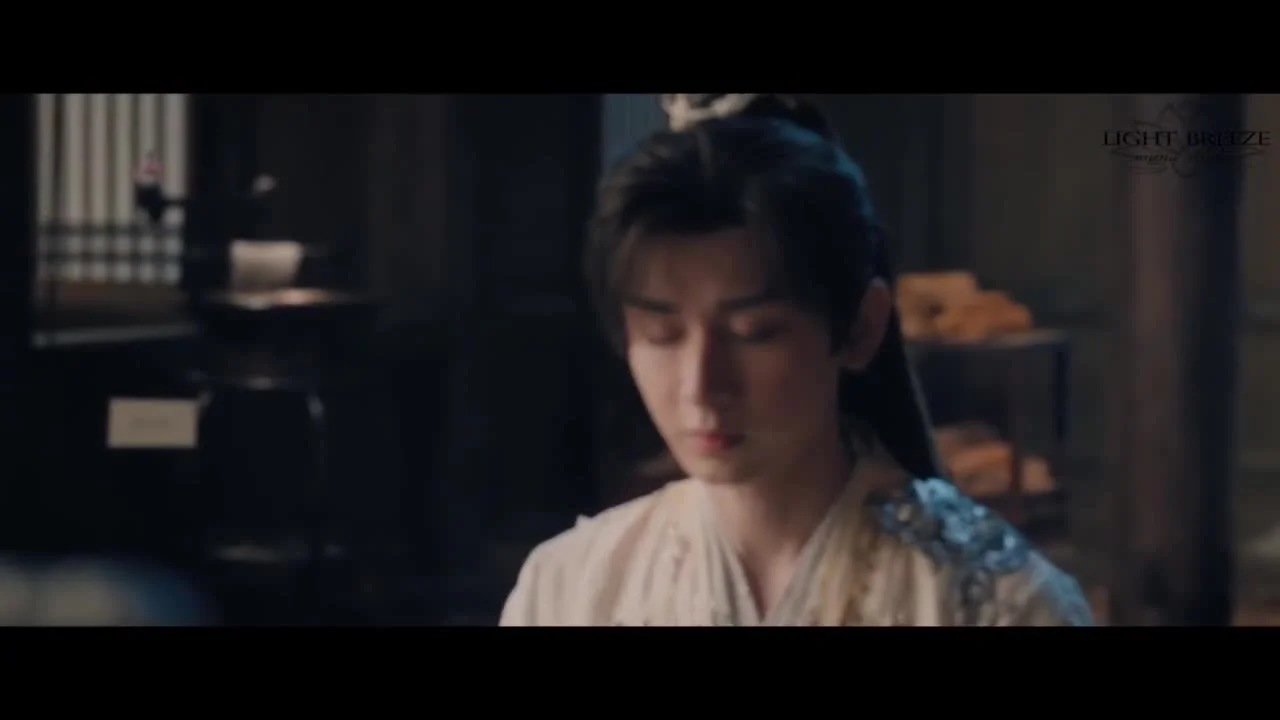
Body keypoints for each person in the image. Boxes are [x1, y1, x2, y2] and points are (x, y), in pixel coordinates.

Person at [499, 94, 1093, 626]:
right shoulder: (573, 590)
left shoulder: (996, 604)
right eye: (662, 335)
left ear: (860, 328)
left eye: (754, 333)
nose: (701, 386)